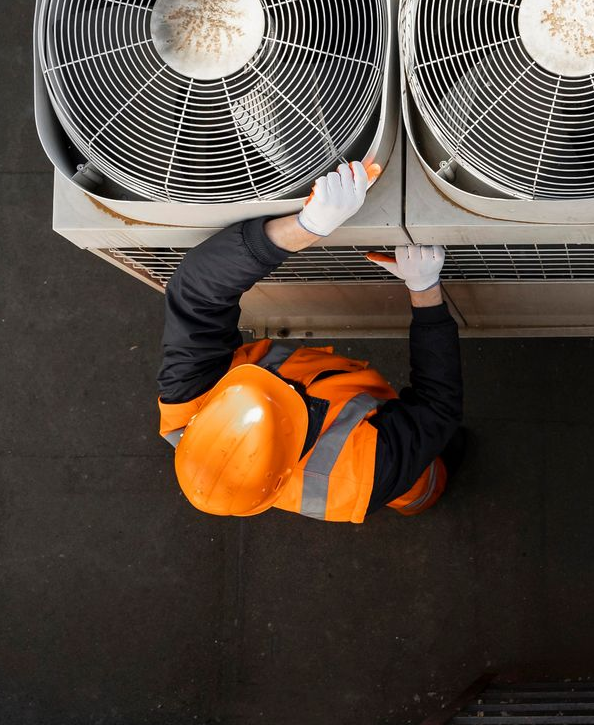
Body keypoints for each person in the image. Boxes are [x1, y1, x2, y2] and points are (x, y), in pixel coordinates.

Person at [157, 159, 462, 522]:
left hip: (359, 417)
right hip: (390, 470)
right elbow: (438, 405)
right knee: (423, 479)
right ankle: (427, 493)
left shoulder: (189, 402)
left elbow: (196, 290)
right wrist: (425, 292)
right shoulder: (365, 476)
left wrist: (306, 226)